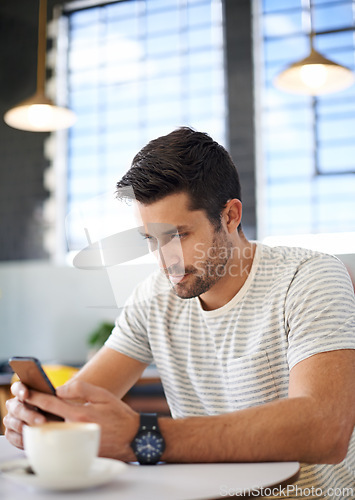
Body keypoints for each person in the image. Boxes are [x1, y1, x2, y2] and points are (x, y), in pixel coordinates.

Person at [4, 128, 355, 498]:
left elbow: (326, 427)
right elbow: (82, 401)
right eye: (152, 240)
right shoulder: (153, 298)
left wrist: (144, 436)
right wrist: (42, 417)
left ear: (231, 216)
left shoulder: (309, 277)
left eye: (178, 235)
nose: (165, 261)